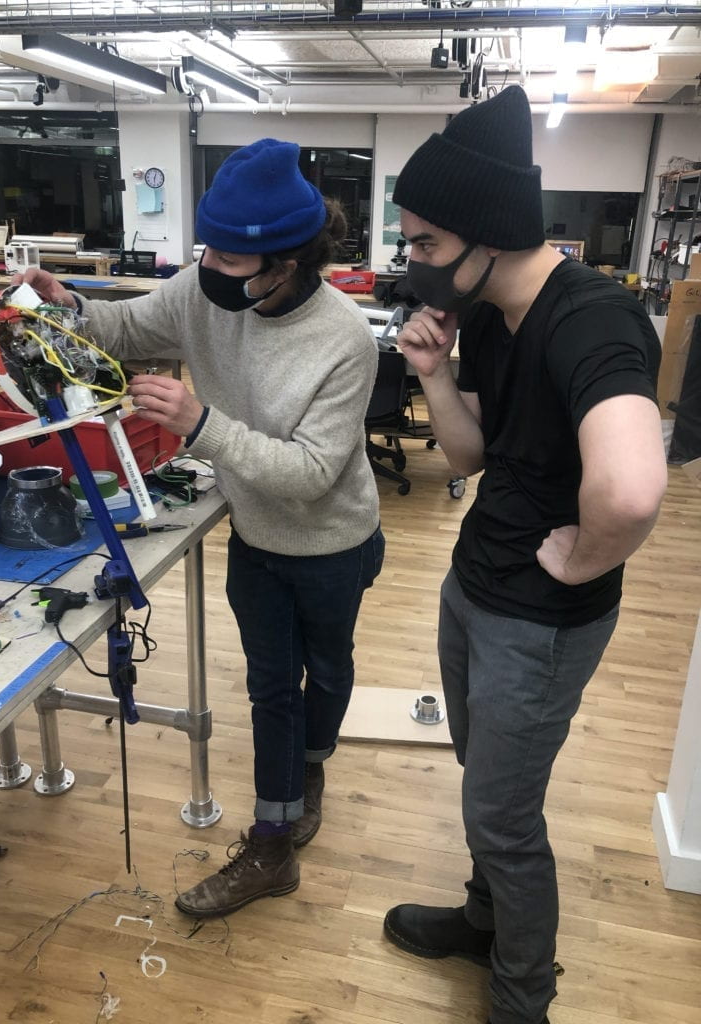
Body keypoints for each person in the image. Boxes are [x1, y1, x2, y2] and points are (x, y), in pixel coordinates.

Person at [18, 138, 385, 918]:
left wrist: (201, 426)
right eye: (207, 250)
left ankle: (309, 770)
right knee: (268, 689)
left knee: (329, 675)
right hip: (257, 539)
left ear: (286, 262)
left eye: (229, 258)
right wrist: (68, 307)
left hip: (332, 544)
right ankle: (272, 844)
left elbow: (314, 474)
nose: (209, 268)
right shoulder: (201, 288)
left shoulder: (345, 339)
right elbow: (124, 330)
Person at [380, 87, 667, 1024]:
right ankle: (484, 919)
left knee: (504, 816)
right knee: (484, 789)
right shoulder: (495, 319)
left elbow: (630, 489)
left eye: (424, 244)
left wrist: (584, 558)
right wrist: (436, 374)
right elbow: (468, 456)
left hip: (538, 619)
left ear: (487, 238)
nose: (412, 261)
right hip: (476, 585)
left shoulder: (590, 317)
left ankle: (521, 998)